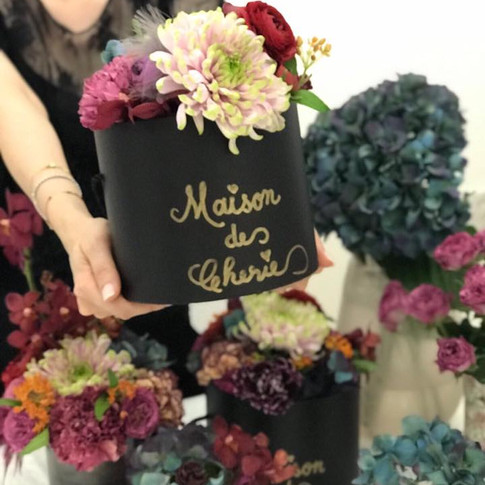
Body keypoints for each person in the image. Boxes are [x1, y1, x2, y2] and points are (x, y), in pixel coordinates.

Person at [0, 0, 330, 395]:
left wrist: (270, 201)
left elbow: (222, 91)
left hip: (160, 262)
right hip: (34, 248)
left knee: (160, 396)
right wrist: (72, 224)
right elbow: (12, 107)